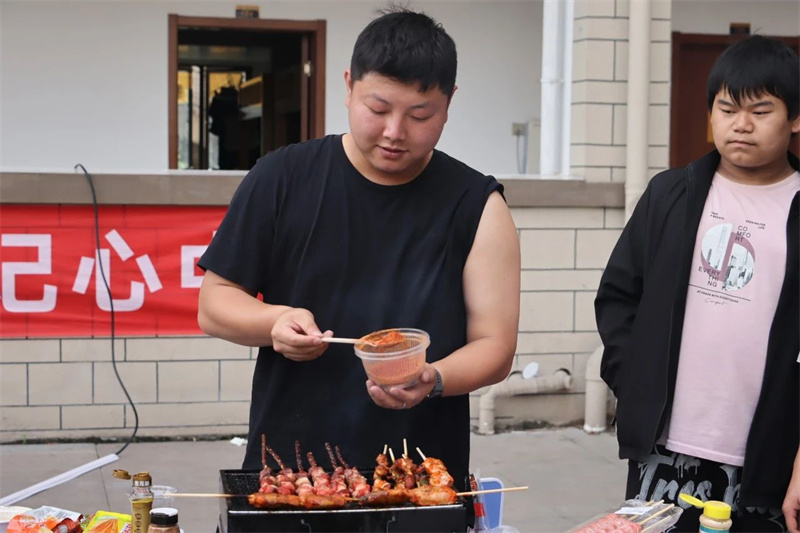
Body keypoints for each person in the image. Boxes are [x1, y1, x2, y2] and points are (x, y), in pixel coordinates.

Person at [197, 6, 520, 492]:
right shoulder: (281, 178)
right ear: (349, 86)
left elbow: (495, 346)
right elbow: (214, 304)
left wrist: (431, 378)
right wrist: (274, 322)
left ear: (449, 103)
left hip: (420, 476)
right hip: (292, 472)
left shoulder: (478, 206)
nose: (395, 132)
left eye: (420, 115)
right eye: (378, 109)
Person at [595, 35, 800, 532]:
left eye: (761, 111)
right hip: (664, 445)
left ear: (795, 118)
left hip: (768, 456)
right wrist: (636, 382)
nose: (741, 124)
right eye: (727, 109)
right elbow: (618, 298)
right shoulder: (671, 194)